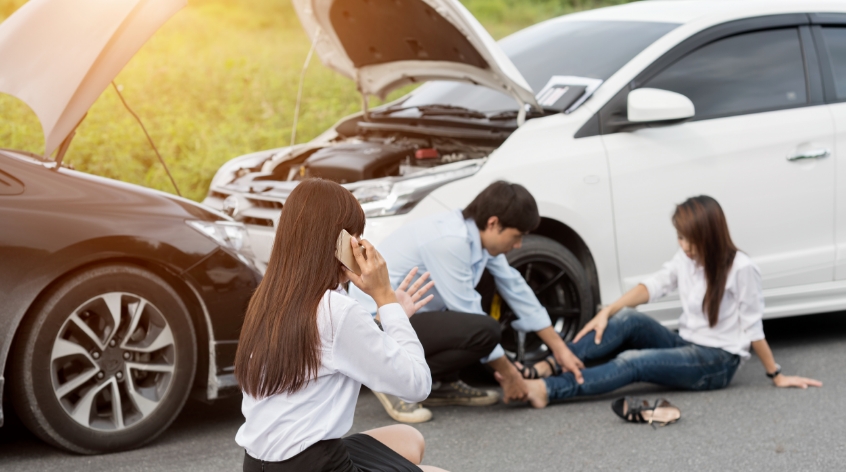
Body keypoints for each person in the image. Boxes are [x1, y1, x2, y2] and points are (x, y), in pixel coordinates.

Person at [514, 195, 822, 410]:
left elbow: (754, 329)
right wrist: (607, 311)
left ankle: (548, 389)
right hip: (685, 343)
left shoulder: (741, 269)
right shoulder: (687, 258)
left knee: (633, 361)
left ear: (711, 236)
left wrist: (776, 374)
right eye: (681, 238)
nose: (685, 247)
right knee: (626, 320)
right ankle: (549, 366)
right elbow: (653, 285)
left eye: (692, 240)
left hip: (717, 362)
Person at [234, 178, 448, 472]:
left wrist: (387, 316)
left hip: (261, 464)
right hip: (316, 466)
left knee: (409, 439)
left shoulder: (270, 296)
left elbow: (327, 347)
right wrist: (387, 301)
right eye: (356, 235)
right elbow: (417, 386)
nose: (360, 245)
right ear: (337, 241)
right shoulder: (336, 310)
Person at [352, 181, 585, 422]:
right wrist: (513, 377)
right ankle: (391, 377)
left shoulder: (476, 236)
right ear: (493, 223)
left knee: (488, 283)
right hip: (378, 327)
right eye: (517, 236)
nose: (518, 245)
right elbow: (468, 312)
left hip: (409, 316)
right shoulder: (450, 241)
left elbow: (515, 287)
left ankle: (441, 384)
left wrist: (560, 350)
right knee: (486, 330)